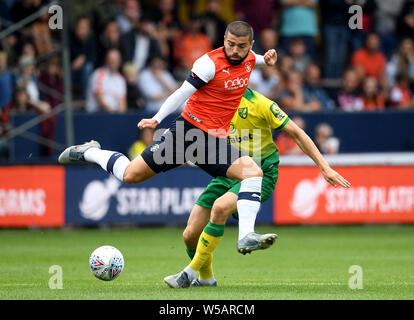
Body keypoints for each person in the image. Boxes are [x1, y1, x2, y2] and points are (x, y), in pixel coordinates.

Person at [58, 21, 277, 285]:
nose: (234, 50)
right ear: (224, 39)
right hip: (188, 134)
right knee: (130, 175)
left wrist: (267, 59)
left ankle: (246, 235)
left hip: (213, 141)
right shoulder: (208, 64)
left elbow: (256, 60)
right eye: (229, 43)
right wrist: (156, 119)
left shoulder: (249, 58)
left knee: (253, 172)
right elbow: (181, 93)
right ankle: (91, 152)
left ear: (250, 45)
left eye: (241, 46)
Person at [166, 88, 350, 288]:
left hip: (260, 172)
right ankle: (207, 279)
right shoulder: (213, 103)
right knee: (189, 235)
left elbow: (296, 133)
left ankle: (188, 273)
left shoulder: (261, 104)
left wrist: (325, 168)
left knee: (220, 207)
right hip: (229, 171)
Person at [86, 49, 127, 114]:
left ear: (119, 61)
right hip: (96, 114)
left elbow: (122, 104)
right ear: (106, 60)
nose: (113, 62)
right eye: (111, 59)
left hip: (114, 115)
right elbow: (100, 100)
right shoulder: (98, 74)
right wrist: (113, 113)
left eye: (115, 59)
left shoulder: (121, 80)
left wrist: (121, 117)